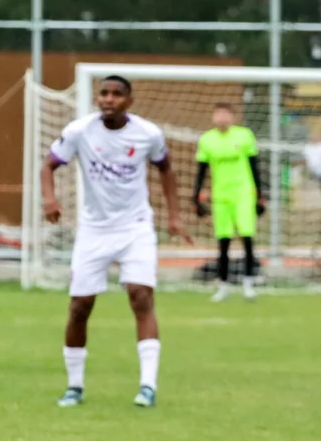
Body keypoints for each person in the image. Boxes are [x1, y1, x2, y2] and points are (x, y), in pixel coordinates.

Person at [41, 75, 190, 409]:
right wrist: (49, 199)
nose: (108, 99)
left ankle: (148, 386)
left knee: (140, 296)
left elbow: (166, 169)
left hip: (135, 228)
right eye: (104, 94)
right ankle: (74, 387)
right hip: (93, 230)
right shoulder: (80, 131)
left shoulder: (148, 134)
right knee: (80, 306)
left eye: (116, 94)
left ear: (129, 101)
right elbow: (48, 165)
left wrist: (175, 216)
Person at [192, 103, 264, 302]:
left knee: (247, 238)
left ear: (232, 117)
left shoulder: (244, 135)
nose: (222, 118)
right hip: (220, 197)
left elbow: (254, 165)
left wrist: (260, 195)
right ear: (213, 117)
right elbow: (201, 170)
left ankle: (249, 284)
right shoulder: (207, 140)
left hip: (243, 194)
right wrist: (195, 197)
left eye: (225, 114)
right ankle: (223, 285)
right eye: (218, 114)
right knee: (223, 242)